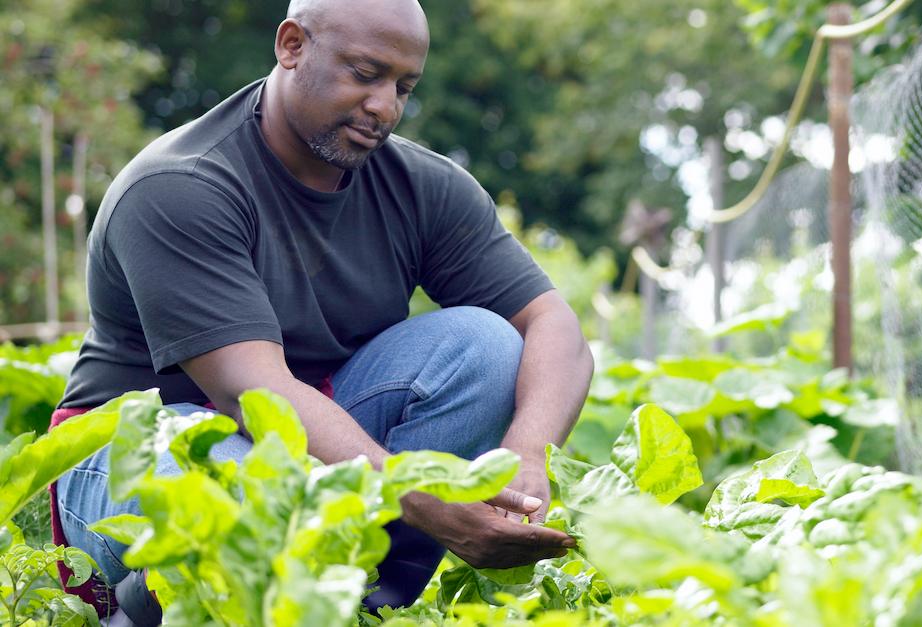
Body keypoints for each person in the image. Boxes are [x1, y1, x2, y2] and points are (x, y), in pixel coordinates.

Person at [51, 0, 592, 619]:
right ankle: (135, 611)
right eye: (365, 74)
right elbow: (252, 395)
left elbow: (556, 325)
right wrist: (417, 496)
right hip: (136, 453)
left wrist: (526, 455)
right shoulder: (182, 185)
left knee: (487, 345)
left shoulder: (423, 187)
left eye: (403, 87)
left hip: (310, 437)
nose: (385, 107)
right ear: (291, 46)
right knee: (251, 487)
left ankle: (360, 601)